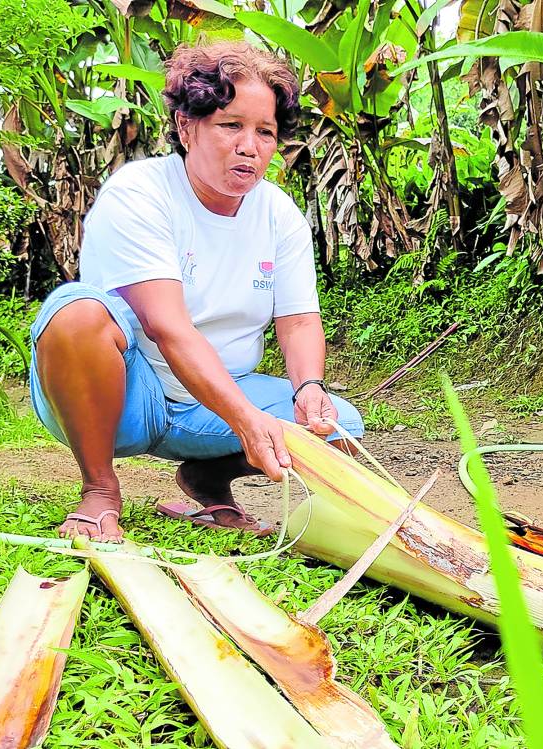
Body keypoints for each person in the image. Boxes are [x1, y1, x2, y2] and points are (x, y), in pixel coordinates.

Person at [28, 41, 363, 542]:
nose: (250, 146)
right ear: (188, 127)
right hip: (127, 399)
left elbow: (296, 320)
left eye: (265, 132)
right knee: (74, 314)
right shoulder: (140, 194)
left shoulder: (278, 214)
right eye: (231, 126)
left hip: (212, 404)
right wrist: (246, 419)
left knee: (339, 428)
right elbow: (167, 327)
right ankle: (99, 488)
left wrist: (309, 388)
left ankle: (208, 477)